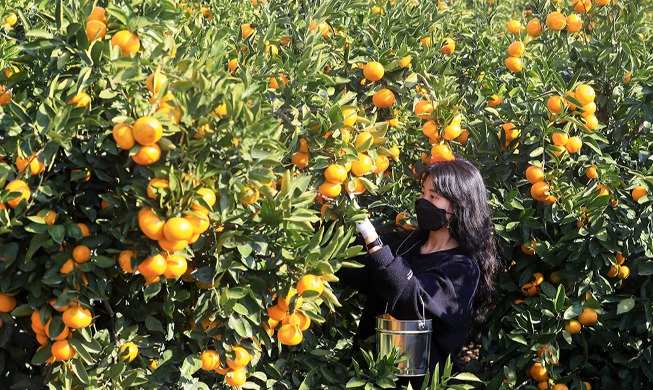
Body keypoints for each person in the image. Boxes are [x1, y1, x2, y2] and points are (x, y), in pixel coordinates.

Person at [337, 158, 499, 389]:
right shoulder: (404, 245)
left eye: (433, 197)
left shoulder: (462, 269)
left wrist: (371, 238)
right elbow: (353, 265)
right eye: (423, 193)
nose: (423, 202)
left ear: (459, 205)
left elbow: (412, 301)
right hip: (367, 379)